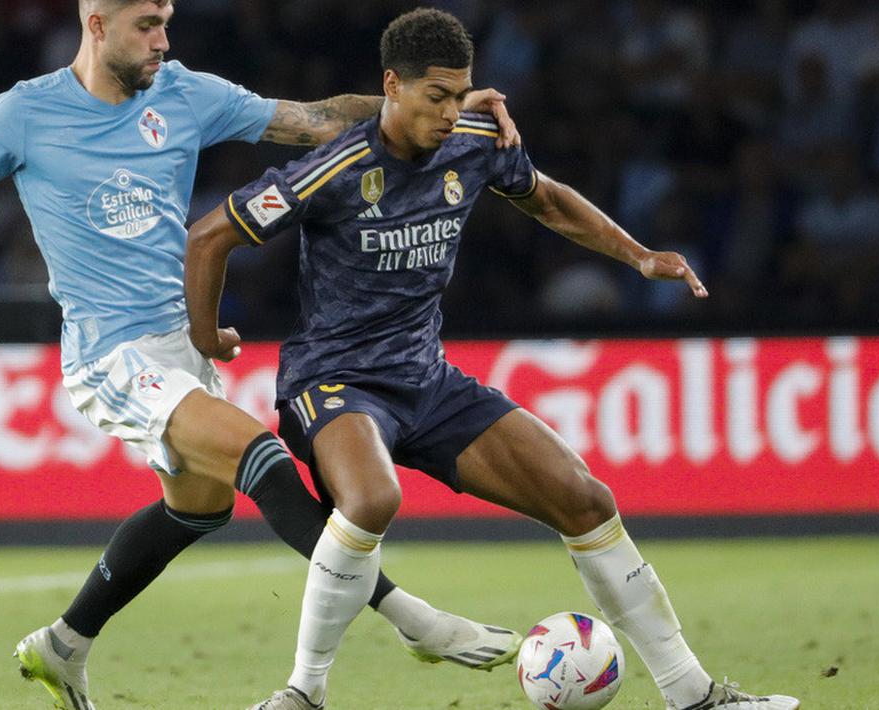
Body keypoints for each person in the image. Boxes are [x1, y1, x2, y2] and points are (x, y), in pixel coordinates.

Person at [0, 2, 527, 709]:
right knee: (259, 457)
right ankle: (414, 619)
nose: (161, 41)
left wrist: (437, 105)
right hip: (109, 354)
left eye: (166, 24)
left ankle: (63, 642)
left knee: (197, 509)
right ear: (96, 25)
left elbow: (313, 118)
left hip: (179, 346)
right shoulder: (23, 114)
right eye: (147, 26)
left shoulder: (186, 94)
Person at [184, 9, 801, 710]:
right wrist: (207, 338)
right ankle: (303, 693)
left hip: (426, 379)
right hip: (333, 380)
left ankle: (692, 695)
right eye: (434, 97)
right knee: (372, 499)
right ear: (391, 85)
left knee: (585, 499)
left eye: (460, 94)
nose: (451, 114)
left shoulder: (478, 140)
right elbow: (209, 237)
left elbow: (546, 201)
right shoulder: (337, 164)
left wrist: (638, 255)